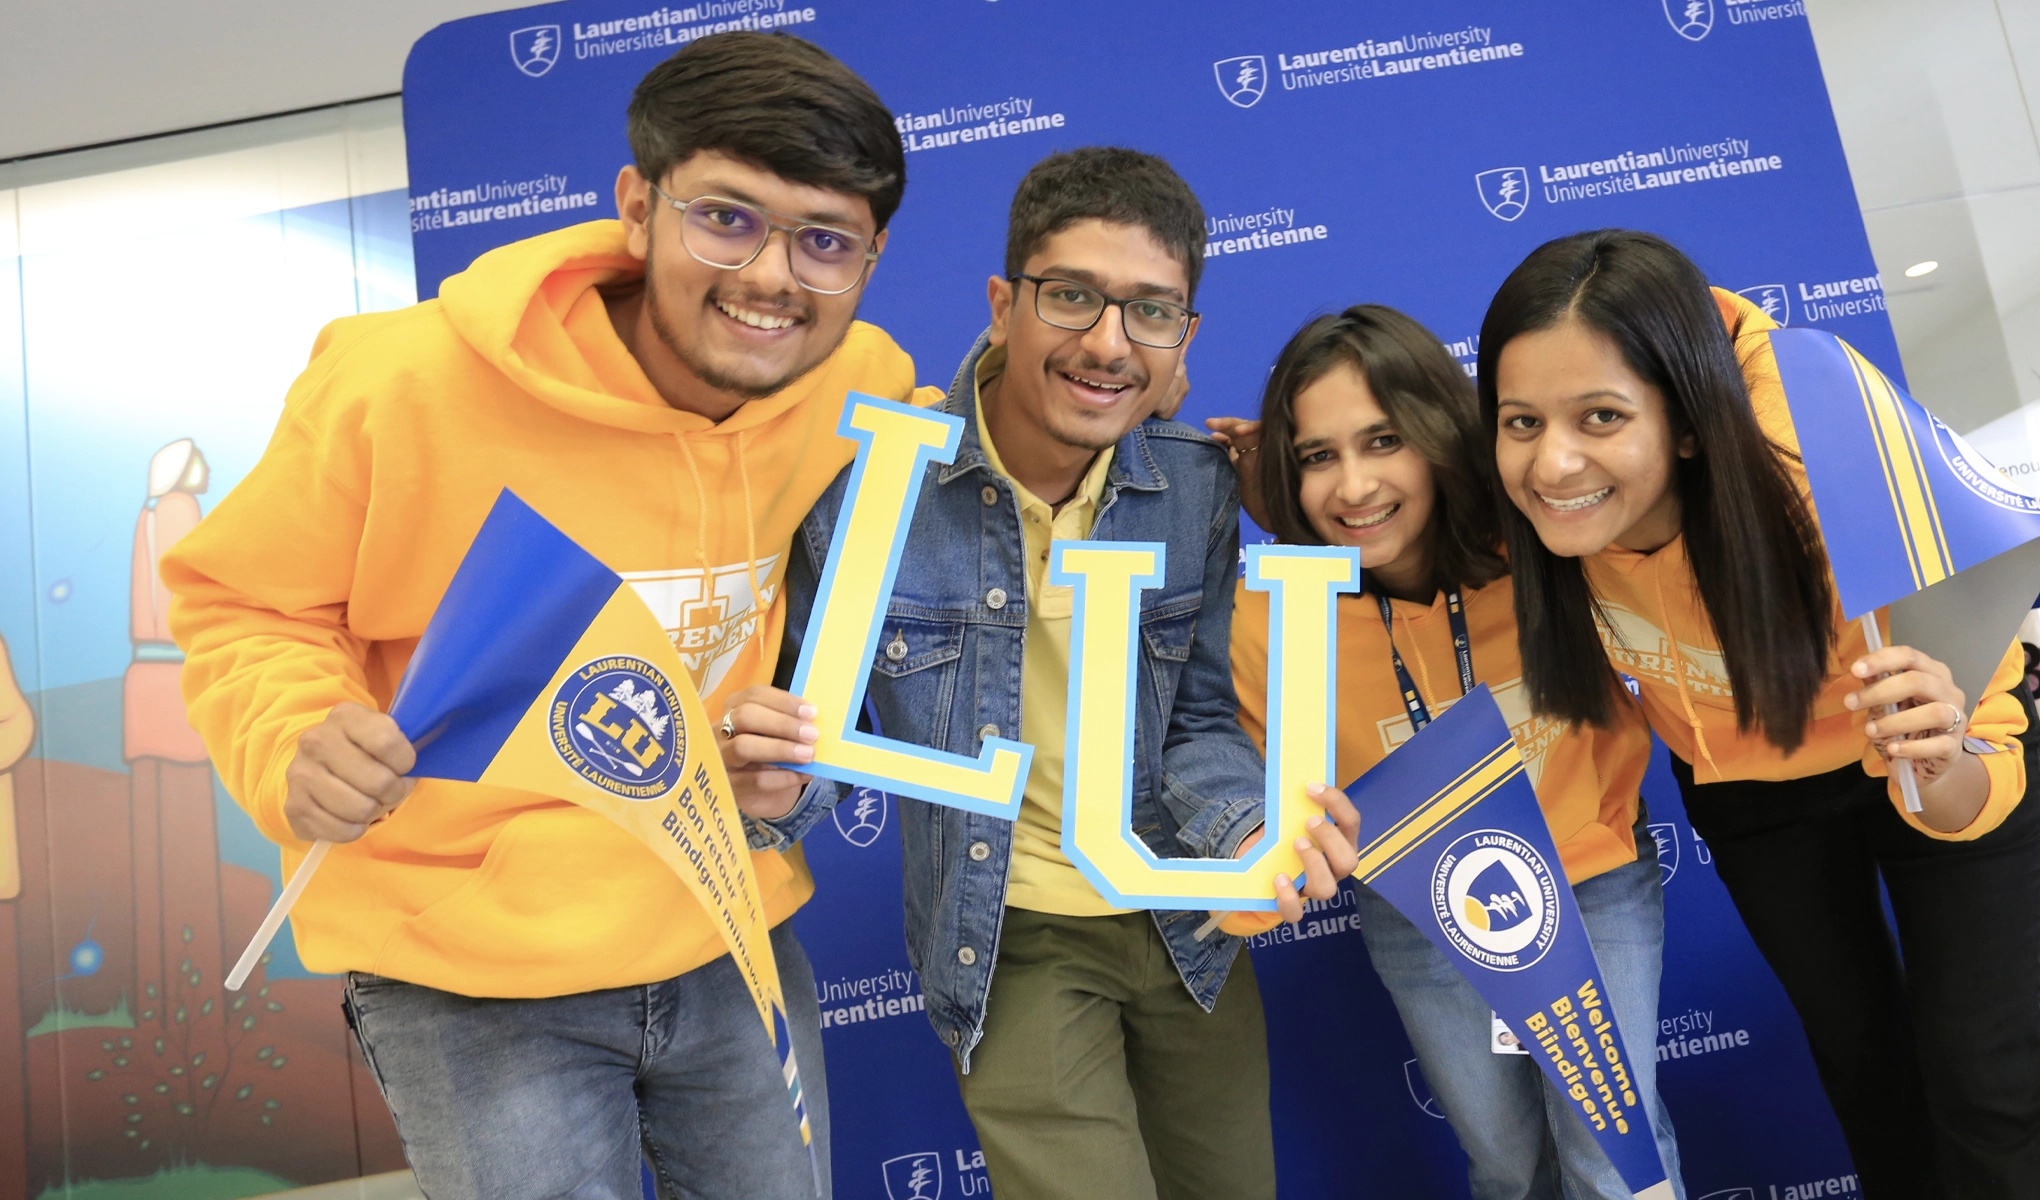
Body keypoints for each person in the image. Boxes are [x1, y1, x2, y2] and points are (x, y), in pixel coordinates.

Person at [162, 33, 921, 1199]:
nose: (774, 276)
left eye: (825, 243)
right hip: (469, 972)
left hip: (729, 934)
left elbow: (972, 455)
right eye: (727, 217)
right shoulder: (397, 384)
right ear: (637, 205)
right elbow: (246, 603)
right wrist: (292, 739)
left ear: (868, 261)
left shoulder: (856, 381)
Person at [732, 146, 1358, 1200]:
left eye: (1150, 312)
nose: (1109, 344)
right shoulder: (869, 492)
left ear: (1182, 338)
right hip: (1008, 935)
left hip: (1186, 924)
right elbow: (812, 729)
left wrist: (1246, 825)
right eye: (1072, 297)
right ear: (1002, 303)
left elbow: (1195, 718)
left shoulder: (1193, 489)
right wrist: (780, 789)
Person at [1477, 230, 2040, 1198]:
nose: (1553, 464)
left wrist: (1948, 755)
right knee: (1865, 1066)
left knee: (1987, 1073)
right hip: (1754, 785)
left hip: (1929, 744)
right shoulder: (1524, 503)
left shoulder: (1815, 459)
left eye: (1601, 417)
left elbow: (1983, 702)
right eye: (1520, 422)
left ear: (1686, 420)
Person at [1209, 304, 1686, 1200]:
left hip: (1589, 877)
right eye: (1318, 457)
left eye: (1383, 440)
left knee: (1613, 1149)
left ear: (1436, 432)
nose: (1353, 486)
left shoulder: (1548, 548)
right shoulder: (1272, 620)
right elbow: (1250, 796)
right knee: (1506, 1164)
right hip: (1418, 910)